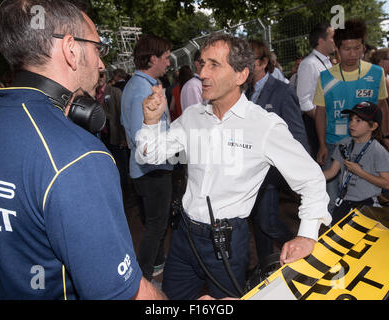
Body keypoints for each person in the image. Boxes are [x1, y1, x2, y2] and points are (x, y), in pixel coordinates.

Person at [0, 0, 166, 300]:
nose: (101, 64)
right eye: (98, 48)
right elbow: (125, 295)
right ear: (72, 49)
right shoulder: (80, 157)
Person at [136, 33, 331, 299]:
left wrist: (307, 235)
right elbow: (151, 156)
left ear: (241, 75)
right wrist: (150, 122)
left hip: (227, 243)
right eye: (201, 63)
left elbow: (312, 179)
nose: (202, 72)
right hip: (183, 237)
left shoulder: (264, 126)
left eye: (214, 64)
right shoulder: (193, 116)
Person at [313, 19, 389, 213]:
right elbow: (321, 112)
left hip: (365, 146)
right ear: (337, 48)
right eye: (347, 49)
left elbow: (382, 106)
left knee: (364, 198)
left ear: (363, 47)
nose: (352, 54)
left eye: (357, 48)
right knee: (332, 200)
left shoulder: (376, 73)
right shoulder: (326, 77)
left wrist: (386, 137)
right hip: (334, 144)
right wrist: (322, 144)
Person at [246, 39, 309, 263]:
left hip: (271, 173)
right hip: (249, 172)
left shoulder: (282, 92)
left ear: (263, 62)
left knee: (268, 222)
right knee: (259, 223)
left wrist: (300, 175)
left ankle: (301, 254)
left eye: (248, 60)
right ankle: (265, 268)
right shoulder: (243, 92)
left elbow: (298, 135)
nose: (242, 66)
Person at [121, 34, 174, 282]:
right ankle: (142, 280)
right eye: (165, 57)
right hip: (152, 169)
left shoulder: (138, 84)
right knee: (156, 227)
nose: (169, 63)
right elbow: (141, 135)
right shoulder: (143, 88)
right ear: (153, 58)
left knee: (153, 224)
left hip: (146, 169)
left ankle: (156, 269)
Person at [323, 101, 389, 225]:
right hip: (344, 203)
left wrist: (360, 173)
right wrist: (308, 178)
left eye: (358, 120)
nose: (352, 124)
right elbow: (332, 172)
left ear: (373, 126)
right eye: (351, 119)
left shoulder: (378, 151)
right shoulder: (344, 143)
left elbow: (388, 184)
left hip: (366, 205)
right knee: (337, 240)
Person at [297, 22, 336, 158]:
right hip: (315, 126)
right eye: (332, 37)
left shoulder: (327, 62)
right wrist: (323, 120)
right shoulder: (308, 64)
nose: (335, 41)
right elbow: (304, 102)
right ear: (321, 41)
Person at [97, 70, 129, 193]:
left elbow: (122, 115)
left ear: (105, 76)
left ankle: (125, 191)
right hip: (101, 138)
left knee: (121, 166)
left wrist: (124, 137)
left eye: (101, 75)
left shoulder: (115, 92)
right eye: (97, 75)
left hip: (115, 137)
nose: (99, 78)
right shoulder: (91, 94)